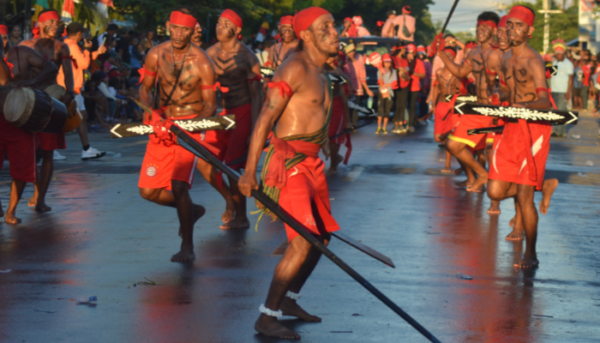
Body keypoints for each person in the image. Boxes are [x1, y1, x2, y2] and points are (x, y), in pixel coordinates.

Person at [238, 7, 341, 339]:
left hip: (312, 164)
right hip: (289, 163)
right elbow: (265, 119)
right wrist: (249, 172)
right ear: (306, 35)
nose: (335, 32)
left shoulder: (324, 72)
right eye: (326, 27)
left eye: (334, 26)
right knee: (301, 242)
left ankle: (290, 300)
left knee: (321, 238)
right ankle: (266, 317)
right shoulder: (293, 68)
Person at [137, 6, 217, 262]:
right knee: (148, 192)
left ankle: (188, 247)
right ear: (168, 26)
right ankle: (191, 211)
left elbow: (210, 104)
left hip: (189, 126)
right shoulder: (155, 54)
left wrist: (196, 127)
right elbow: (145, 88)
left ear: (193, 30)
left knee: (178, 185)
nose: (180, 33)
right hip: (162, 126)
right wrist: (148, 110)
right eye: (176, 28)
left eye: (186, 29)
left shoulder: (202, 61)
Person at [487, 5, 558, 269]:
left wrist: (524, 108)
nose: (512, 29)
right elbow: (507, 90)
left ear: (529, 31)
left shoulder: (533, 60)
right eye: (510, 24)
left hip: (534, 128)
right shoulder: (506, 59)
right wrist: (498, 95)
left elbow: (544, 101)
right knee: (494, 189)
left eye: (519, 26)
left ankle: (531, 254)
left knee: (525, 197)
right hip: (512, 125)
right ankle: (544, 183)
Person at [202, 9, 262, 229]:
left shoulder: (248, 58)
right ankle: (229, 199)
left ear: (237, 30)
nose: (219, 27)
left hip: (243, 113)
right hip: (220, 114)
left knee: (232, 166)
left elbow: (257, 97)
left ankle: (242, 217)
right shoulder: (209, 53)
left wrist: (256, 129)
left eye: (225, 24)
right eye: (218, 23)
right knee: (203, 162)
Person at [435, 11, 499, 193]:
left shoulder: (501, 53)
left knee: (460, 146)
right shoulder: (475, 52)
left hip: (490, 108)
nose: (479, 31)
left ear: (494, 30)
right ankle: (478, 177)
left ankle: (483, 179)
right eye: (478, 27)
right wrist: (442, 55)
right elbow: (460, 72)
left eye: (485, 27)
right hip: (476, 108)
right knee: (461, 146)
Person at [20, 9, 75, 212]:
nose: (55, 26)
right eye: (51, 22)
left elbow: (68, 74)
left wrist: (70, 93)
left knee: (48, 153)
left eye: (57, 23)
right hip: (30, 102)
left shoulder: (62, 46)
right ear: (40, 24)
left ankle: (41, 198)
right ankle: (37, 191)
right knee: (31, 153)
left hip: (52, 102)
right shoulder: (24, 46)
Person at [0, 34, 59, 224]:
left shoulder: (21, 52)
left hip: (20, 117)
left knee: (22, 166)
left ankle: (11, 211)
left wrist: (32, 82)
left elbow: (51, 67)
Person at [58, 22, 107, 160]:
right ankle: (51, 149)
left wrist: (95, 52)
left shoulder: (67, 44)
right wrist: (86, 49)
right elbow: (84, 63)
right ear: (79, 34)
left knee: (82, 117)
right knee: (62, 119)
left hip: (73, 88)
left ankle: (86, 148)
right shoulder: (72, 46)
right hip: (70, 88)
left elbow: (83, 59)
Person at [482, 15, 511, 215]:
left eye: (505, 32)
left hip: (522, 113)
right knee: (491, 151)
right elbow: (490, 85)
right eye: (498, 32)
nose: (500, 36)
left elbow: (544, 78)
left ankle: (519, 220)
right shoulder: (493, 57)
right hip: (499, 111)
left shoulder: (531, 57)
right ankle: (495, 201)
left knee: (518, 161)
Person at [430, 47, 463, 172]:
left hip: (452, 107)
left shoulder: (458, 73)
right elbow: (436, 88)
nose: (447, 57)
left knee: (449, 137)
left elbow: (462, 90)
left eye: (450, 55)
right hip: (441, 106)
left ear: (454, 58)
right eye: (445, 55)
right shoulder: (438, 72)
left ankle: (448, 165)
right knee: (438, 138)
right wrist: (433, 105)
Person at [326, 52, 352, 173]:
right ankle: (335, 157)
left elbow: (344, 97)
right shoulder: (317, 69)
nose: (330, 58)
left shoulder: (338, 73)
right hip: (321, 107)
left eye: (332, 56)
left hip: (336, 106)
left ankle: (333, 165)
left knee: (333, 137)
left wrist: (348, 120)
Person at [343, 43, 372, 126]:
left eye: (352, 51)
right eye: (349, 52)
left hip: (357, 89)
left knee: (355, 107)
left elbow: (363, 78)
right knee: (347, 107)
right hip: (347, 89)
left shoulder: (359, 64)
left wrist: (367, 90)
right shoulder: (344, 64)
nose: (351, 53)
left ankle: (354, 122)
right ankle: (347, 122)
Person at [550, 39, 573, 137]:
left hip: (563, 90)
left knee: (561, 110)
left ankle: (560, 132)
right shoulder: (554, 63)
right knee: (556, 111)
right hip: (554, 90)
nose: (558, 55)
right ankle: (557, 130)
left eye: (560, 53)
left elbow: (571, 79)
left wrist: (568, 92)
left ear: (563, 53)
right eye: (557, 53)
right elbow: (552, 76)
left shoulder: (568, 64)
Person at [376, 53, 398, 134]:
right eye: (385, 62)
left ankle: (384, 128)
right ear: (383, 63)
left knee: (387, 110)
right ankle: (379, 127)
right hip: (381, 92)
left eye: (389, 62)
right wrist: (381, 72)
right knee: (380, 109)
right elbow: (380, 83)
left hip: (389, 93)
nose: (387, 64)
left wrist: (386, 85)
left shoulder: (394, 72)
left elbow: (394, 83)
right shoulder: (379, 71)